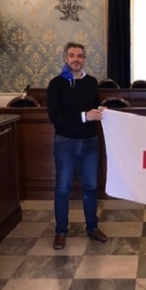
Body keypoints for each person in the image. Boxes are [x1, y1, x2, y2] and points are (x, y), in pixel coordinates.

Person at [47, 42, 108, 250]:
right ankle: (61, 231)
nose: (76, 59)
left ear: (84, 59)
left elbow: (93, 108)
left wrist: (100, 110)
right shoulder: (56, 84)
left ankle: (92, 227)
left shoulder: (91, 82)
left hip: (90, 142)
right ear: (65, 58)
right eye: (72, 55)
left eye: (80, 56)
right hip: (65, 142)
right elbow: (55, 117)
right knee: (63, 188)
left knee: (91, 187)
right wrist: (85, 116)